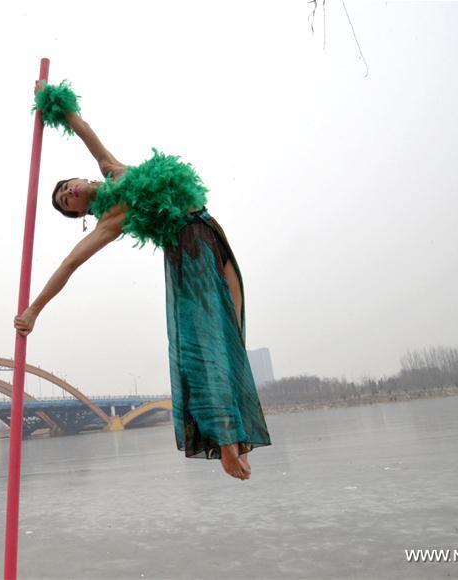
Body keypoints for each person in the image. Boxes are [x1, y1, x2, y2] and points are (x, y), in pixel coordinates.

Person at [14, 80, 271, 480]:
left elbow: (82, 128)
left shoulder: (112, 169)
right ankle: (224, 443)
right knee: (206, 340)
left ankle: (237, 438)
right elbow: (68, 265)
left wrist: (50, 99)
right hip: (187, 249)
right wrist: (34, 309)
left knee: (233, 333)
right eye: (66, 201)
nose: (69, 192)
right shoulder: (108, 222)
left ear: (79, 180)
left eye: (66, 187)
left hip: (209, 229)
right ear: (79, 213)